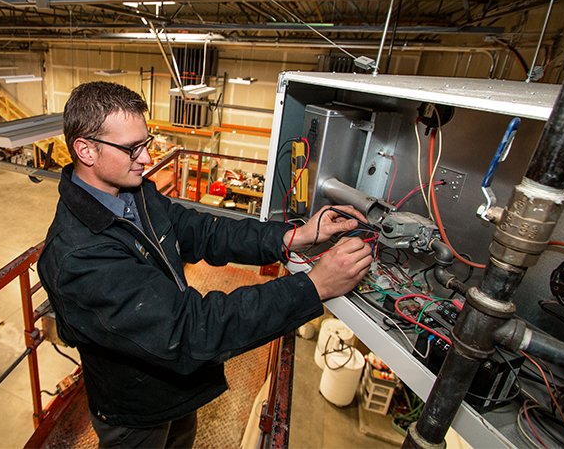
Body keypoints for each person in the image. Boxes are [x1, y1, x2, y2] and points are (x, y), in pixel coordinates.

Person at [38, 82, 373, 448]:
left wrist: (290, 237)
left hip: (177, 384)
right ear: (85, 150)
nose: (147, 159)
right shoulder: (79, 256)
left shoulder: (133, 194)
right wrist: (314, 286)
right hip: (137, 409)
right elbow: (190, 329)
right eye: (132, 148)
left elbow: (201, 231)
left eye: (146, 143)